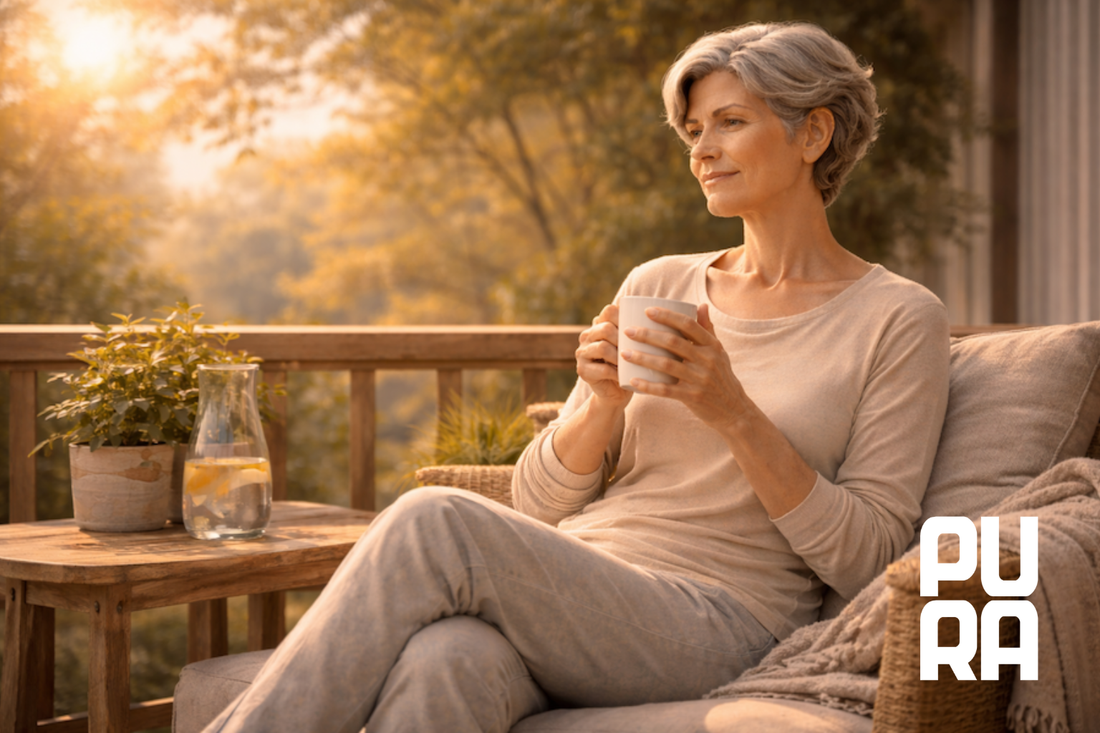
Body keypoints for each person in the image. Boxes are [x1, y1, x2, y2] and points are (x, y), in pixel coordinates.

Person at [203, 20, 949, 733]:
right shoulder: (660, 281)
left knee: (435, 518)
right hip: (583, 581)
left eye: (730, 122)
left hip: (725, 618)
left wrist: (733, 411)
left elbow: (873, 557)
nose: (702, 151)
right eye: (694, 131)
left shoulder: (896, 318)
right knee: (449, 658)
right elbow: (534, 504)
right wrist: (598, 403)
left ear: (812, 134)